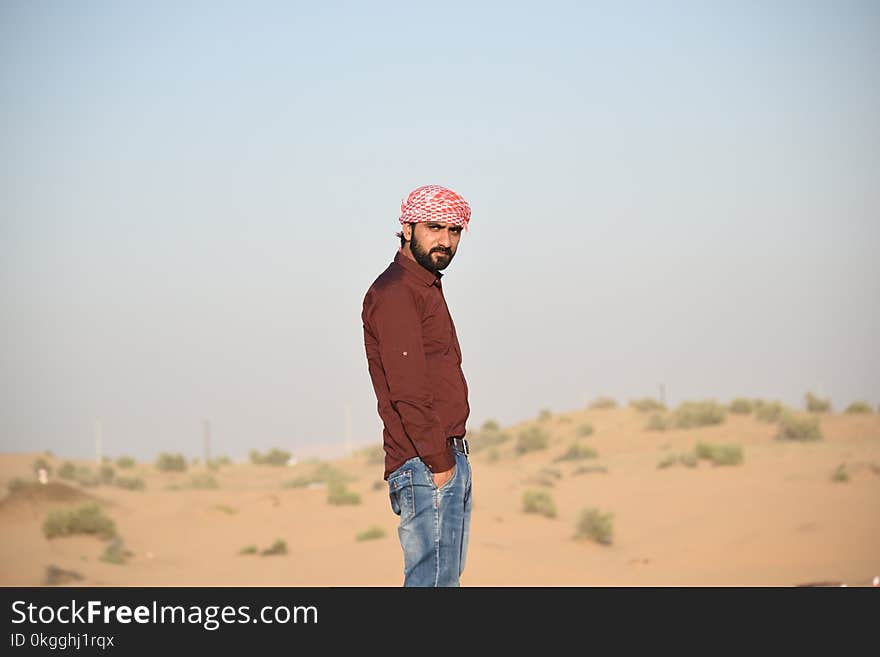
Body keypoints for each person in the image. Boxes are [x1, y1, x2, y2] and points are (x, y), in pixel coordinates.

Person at [361, 184, 473, 587]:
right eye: (434, 228)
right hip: (426, 462)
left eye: (455, 231)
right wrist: (439, 462)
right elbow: (406, 389)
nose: (445, 240)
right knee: (433, 584)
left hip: (442, 457)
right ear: (407, 229)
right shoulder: (396, 292)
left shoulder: (423, 286)